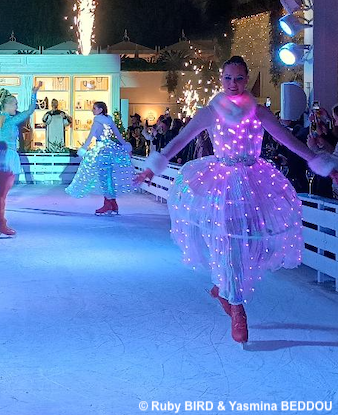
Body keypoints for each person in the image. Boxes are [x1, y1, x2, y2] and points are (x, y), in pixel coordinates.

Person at [135, 56, 338, 344]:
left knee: (250, 243)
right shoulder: (210, 112)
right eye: (228, 78)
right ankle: (237, 306)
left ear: (246, 79)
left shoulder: (258, 112)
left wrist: (322, 165)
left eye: (239, 78)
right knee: (229, 243)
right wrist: (152, 167)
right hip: (221, 185)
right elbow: (179, 141)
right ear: (221, 79)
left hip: (254, 183)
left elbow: (289, 141)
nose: (233, 84)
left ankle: (224, 288)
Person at [0, 76, 41, 238]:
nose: (17, 107)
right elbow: (30, 110)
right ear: (8, 105)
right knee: (2, 196)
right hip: (8, 158)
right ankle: (1, 224)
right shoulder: (12, 120)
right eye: (15, 104)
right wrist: (34, 93)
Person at [65, 101, 133, 215]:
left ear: (101, 110)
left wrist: (83, 149)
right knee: (109, 178)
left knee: (104, 178)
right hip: (110, 150)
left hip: (101, 150)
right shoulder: (109, 120)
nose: (92, 110)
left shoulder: (97, 121)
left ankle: (108, 204)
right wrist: (126, 147)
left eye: (94, 108)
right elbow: (118, 135)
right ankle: (113, 203)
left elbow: (90, 136)